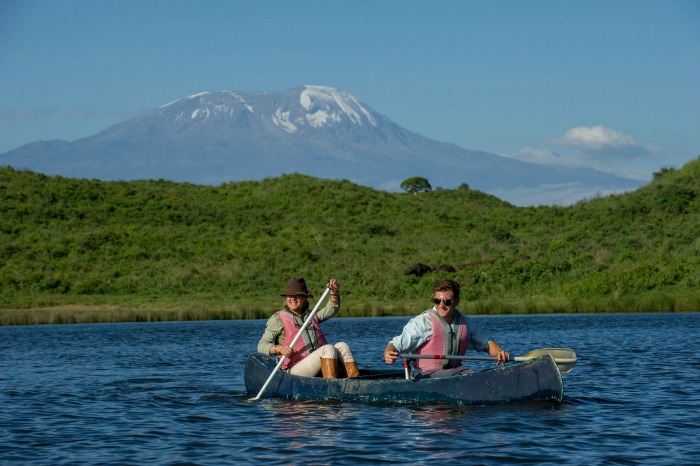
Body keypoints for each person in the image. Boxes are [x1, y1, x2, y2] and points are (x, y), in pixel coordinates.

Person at [383, 279, 510, 379]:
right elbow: (396, 344)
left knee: (473, 374)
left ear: (457, 301)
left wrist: (500, 353)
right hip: (424, 376)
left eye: (447, 302)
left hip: (455, 374)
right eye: (437, 301)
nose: (441, 305)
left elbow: (487, 344)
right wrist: (389, 352)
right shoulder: (423, 322)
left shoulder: (466, 323)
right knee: (467, 375)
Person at [257, 277, 360, 379]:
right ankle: (331, 387)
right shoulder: (277, 319)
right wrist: (279, 348)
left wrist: (334, 293)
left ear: (304, 298)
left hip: (317, 364)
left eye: (297, 295)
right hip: (293, 369)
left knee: (343, 346)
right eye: (289, 295)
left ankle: (354, 383)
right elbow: (261, 346)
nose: (293, 298)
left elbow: (331, 309)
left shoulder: (311, 315)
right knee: (328, 349)